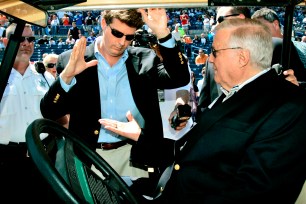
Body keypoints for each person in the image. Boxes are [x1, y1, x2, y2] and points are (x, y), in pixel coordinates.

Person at [99, 18, 306, 204]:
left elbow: (255, 192)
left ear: (242, 57)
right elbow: (193, 150)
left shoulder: (288, 107)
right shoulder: (231, 94)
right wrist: (141, 137)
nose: (211, 60)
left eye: (215, 52)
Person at [40, 9, 189, 179]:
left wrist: (162, 33)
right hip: (88, 157)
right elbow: (50, 112)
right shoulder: (72, 60)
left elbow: (180, 78)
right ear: (104, 23)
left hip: (135, 156)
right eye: (117, 33)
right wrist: (67, 76)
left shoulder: (145, 59)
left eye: (129, 37)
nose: (122, 42)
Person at [0, 23, 63, 202]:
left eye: (31, 39)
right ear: (6, 42)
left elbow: (59, 116)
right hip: (7, 160)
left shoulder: (45, 77)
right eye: (21, 39)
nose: (27, 43)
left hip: (43, 157)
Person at [198, 6, 300, 109]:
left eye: (220, 20)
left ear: (240, 18)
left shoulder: (277, 47)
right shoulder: (212, 61)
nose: (216, 26)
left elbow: (300, 88)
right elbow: (204, 106)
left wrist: (295, 89)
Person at [251, 7, 306, 79]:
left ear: (275, 24)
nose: (257, 33)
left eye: (260, 27)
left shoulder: (302, 47)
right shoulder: (257, 51)